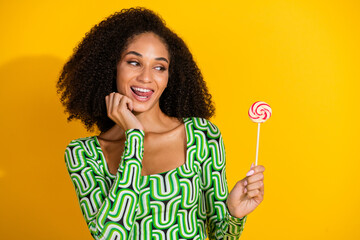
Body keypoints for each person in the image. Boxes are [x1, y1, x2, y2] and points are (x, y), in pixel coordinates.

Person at [57, 7, 265, 240]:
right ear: (111, 67)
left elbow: (221, 237)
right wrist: (134, 135)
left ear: (169, 77)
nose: (146, 77)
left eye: (159, 67)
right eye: (134, 62)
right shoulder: (83, 154)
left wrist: (234, 215)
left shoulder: (201, 136)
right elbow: (110, 236)